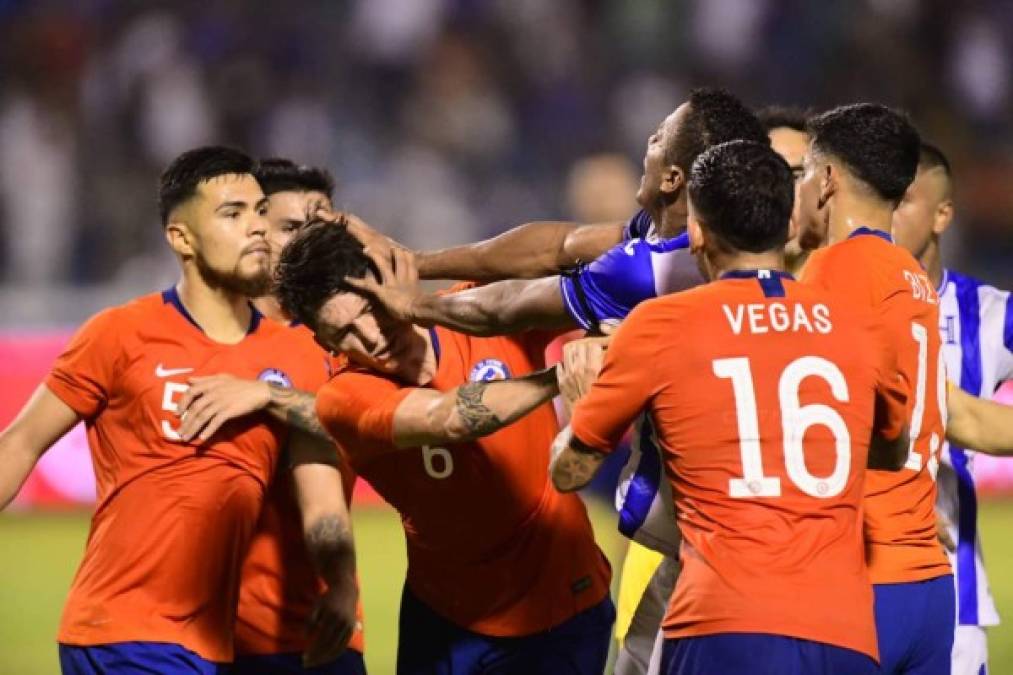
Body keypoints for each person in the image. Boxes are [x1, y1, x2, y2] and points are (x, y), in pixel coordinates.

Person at [551, 139, 910, 674]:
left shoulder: (660, 326)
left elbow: (569, 472)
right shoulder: (861, 324)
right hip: (846, 631)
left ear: (695, 231)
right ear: (790, 225)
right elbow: (889, 451)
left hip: (722, 623)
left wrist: (581, 405)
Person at [0, 147, 357, 674]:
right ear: (181, 239)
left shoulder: (296, 357)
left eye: (260, 212)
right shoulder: (120, 334)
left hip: (209, 647)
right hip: (120, 631)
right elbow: (21, 441)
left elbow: (324, 487)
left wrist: (342, 583)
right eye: (232, 215)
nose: (256, 228)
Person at [274, 220, 614, 674]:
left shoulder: (477, 312)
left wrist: (421, 262)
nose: (372, 337)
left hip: (562, 605)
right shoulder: (344, 397)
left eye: (372, 309)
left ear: (389, 285)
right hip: (448, 620)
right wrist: (559, 377)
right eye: (345, 333)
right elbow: (447, 417)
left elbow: (569, 252)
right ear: (325, 343)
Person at [173, 157, 367, 675]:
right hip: (208, 638)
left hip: (321, 628)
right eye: (290, 228)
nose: (311, 242)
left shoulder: (355, 345)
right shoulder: (198, 341)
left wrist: (269, 397)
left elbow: (372, 429)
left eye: (323, 227)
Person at [796, 104, 953, 674]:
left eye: (804, 175)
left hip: (862, 580)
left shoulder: (834, 271)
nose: (800, 191)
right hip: (927, 583)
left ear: (829, 181)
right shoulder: (912, 277)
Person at [893, 142, 1013, 675]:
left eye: (904, 199)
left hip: (953, 591)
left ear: (943, 214)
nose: (886, 213)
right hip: (846, 587)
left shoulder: (988, 313)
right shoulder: (828, 304)